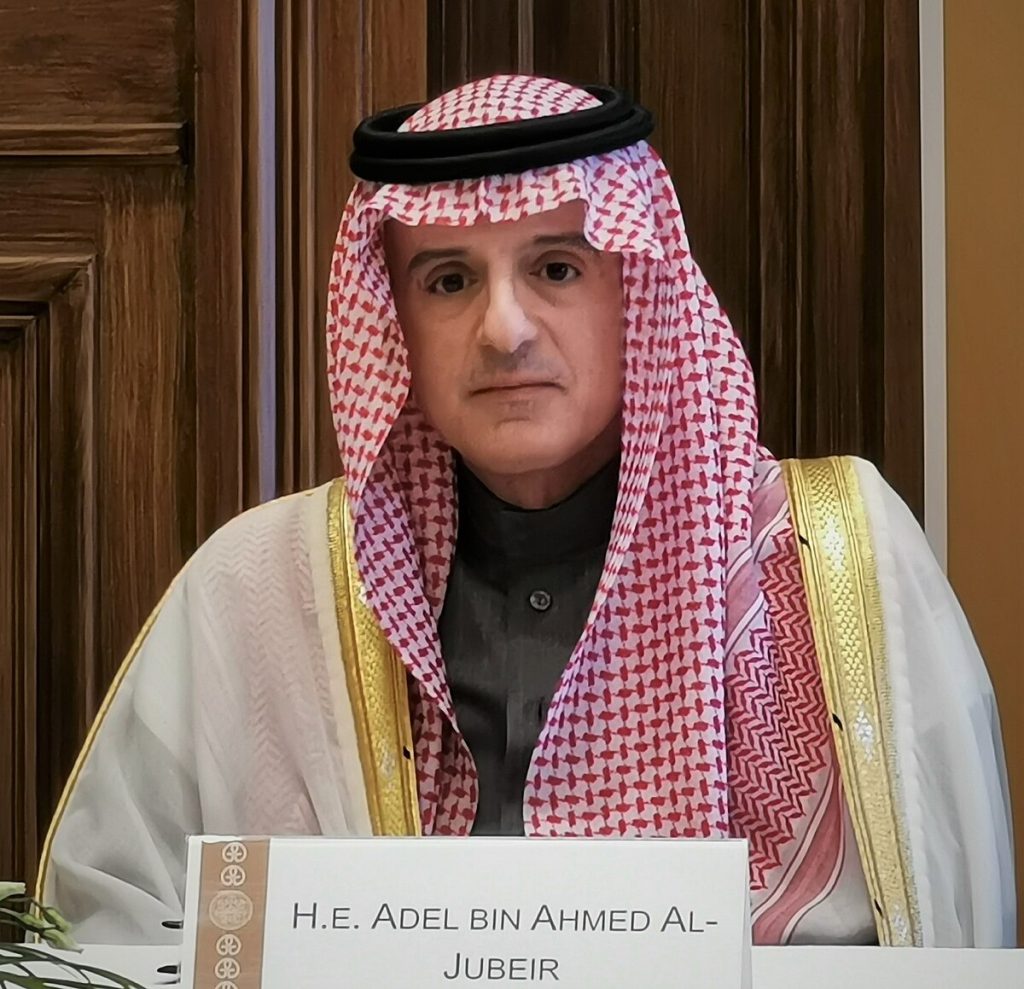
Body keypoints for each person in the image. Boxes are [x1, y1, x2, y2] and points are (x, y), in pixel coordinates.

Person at [37, 75, 1015, 948]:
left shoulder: (829, 555)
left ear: (636, 292)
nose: (503, 329)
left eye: (555, 267)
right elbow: (110, 934)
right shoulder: (257, 587)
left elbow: (948, 932)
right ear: (394, 323)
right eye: (449, 279)